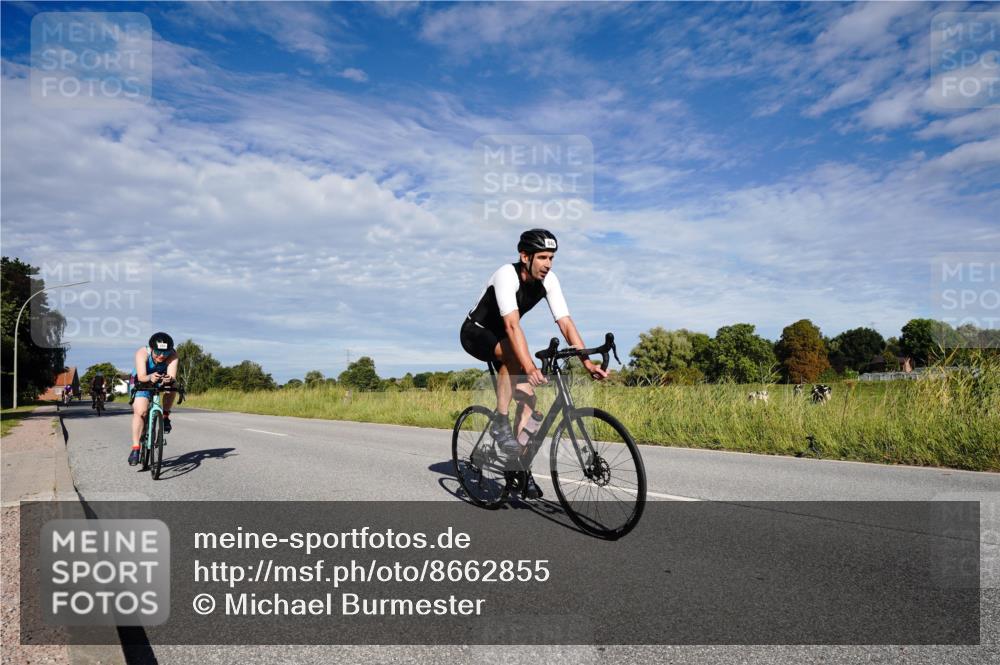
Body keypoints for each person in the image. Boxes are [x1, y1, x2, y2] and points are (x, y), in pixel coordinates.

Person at [460, 229, 608, 498]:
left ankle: (517, 467)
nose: (548, 264)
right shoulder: (507, 275)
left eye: (551, 257)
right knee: (510, 354)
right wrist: (528, 367)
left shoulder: (549, 281)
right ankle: (500, 422)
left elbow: (565, 322)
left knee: (529, 401)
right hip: (476, 333)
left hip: (505, 337)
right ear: (525, 256)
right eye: (542, 257)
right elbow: (512, 326)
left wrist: (586, 362)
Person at [128, 332, 179, 466]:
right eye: (157, 352)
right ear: (151, 349)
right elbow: (142, 376)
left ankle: (166, 415)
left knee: (173, 386)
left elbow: (172, 375)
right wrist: (150, 378)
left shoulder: (173, 355)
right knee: (141, 412)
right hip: (142, 379)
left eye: (166, 353)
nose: (162, 356)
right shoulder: (142, 353)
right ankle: (135, 448)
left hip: (160, 378)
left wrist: (169, 379)